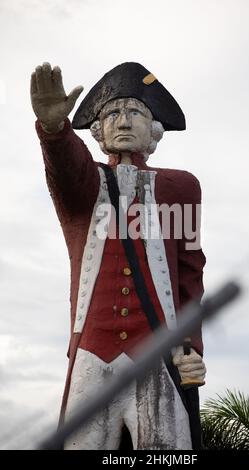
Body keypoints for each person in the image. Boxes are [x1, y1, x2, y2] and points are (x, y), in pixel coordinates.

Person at [30, 61, 207, 450]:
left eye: (135, 112)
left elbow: (189, 276)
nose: (123, 120)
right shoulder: (85, 183)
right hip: (92, 351)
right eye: (112, 112)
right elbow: (65, 169)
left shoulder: (182, 187)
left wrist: (191, 348)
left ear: (153, 128)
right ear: (98, 130)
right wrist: (54, 132)